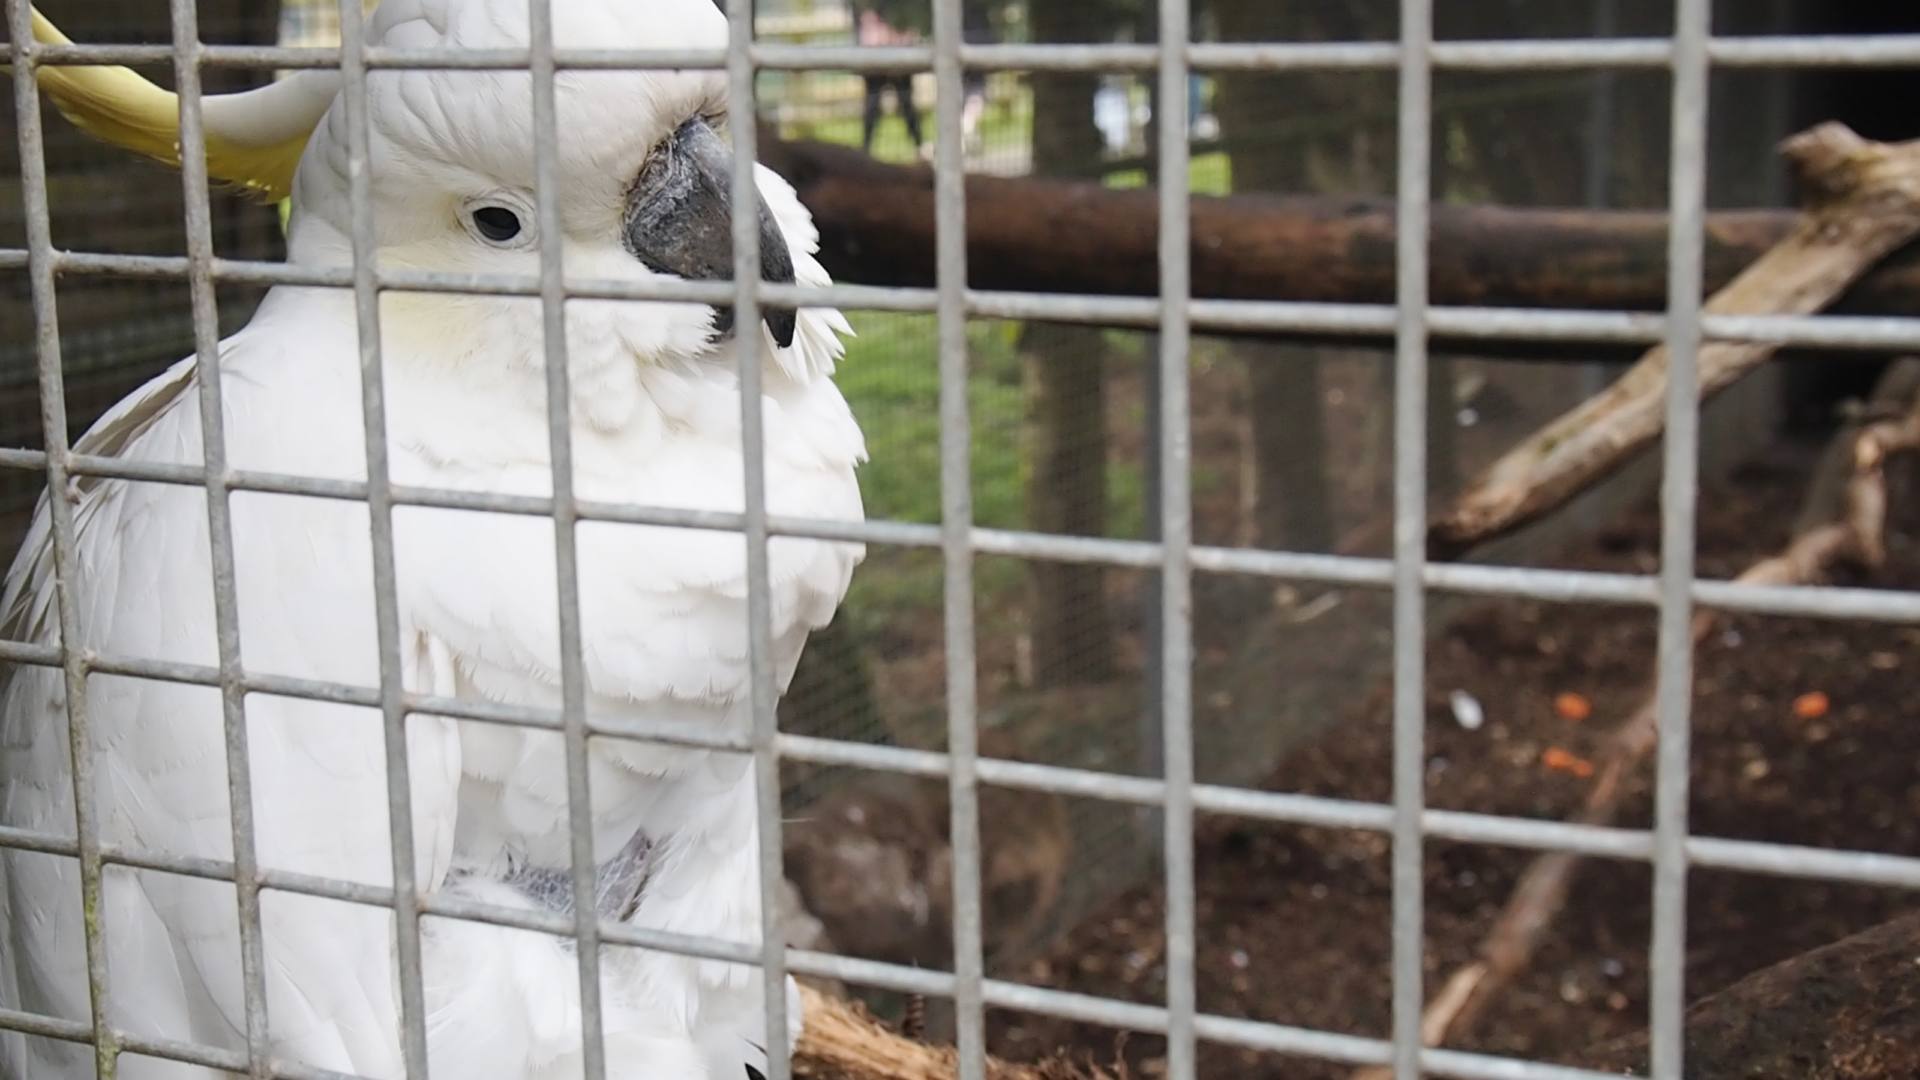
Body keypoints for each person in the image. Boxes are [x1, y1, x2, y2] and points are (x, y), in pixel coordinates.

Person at [857, 6, 925, 157]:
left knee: (906, 104)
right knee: (872, 107)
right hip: (875, 58)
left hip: (898, 55)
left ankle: (919, 146)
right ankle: (866, 150)